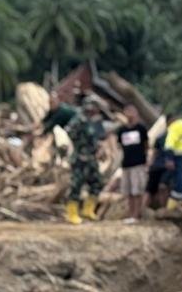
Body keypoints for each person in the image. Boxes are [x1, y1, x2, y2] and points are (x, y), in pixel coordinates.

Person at [64, 96, 107, 225]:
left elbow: (95, 138)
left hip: (91, 158)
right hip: (80, 158)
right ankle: (72, 214)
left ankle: (88, 210)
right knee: (76, 185)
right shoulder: (79, 119)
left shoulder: (91, 121)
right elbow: (69, 132)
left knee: (97, 183)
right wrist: (79, 147)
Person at [115, 105, 150, 222]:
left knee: (137, 191)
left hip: (138, 163)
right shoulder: (122, 130)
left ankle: (136, 214)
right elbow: (119, 146)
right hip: (126, 164)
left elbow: (146, 145)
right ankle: (130, 214)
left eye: (132, 111)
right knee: (128, 191)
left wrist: (146, 160)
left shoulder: (141, 129)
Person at [146, 130, 174, 213]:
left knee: (163, 187)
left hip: (167, 168)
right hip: (157, 166)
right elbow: (155, 152)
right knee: (150, 190)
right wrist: (150, 164)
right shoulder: (160, 137)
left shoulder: (177, 136)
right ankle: (142, 211)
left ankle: (164, 210)